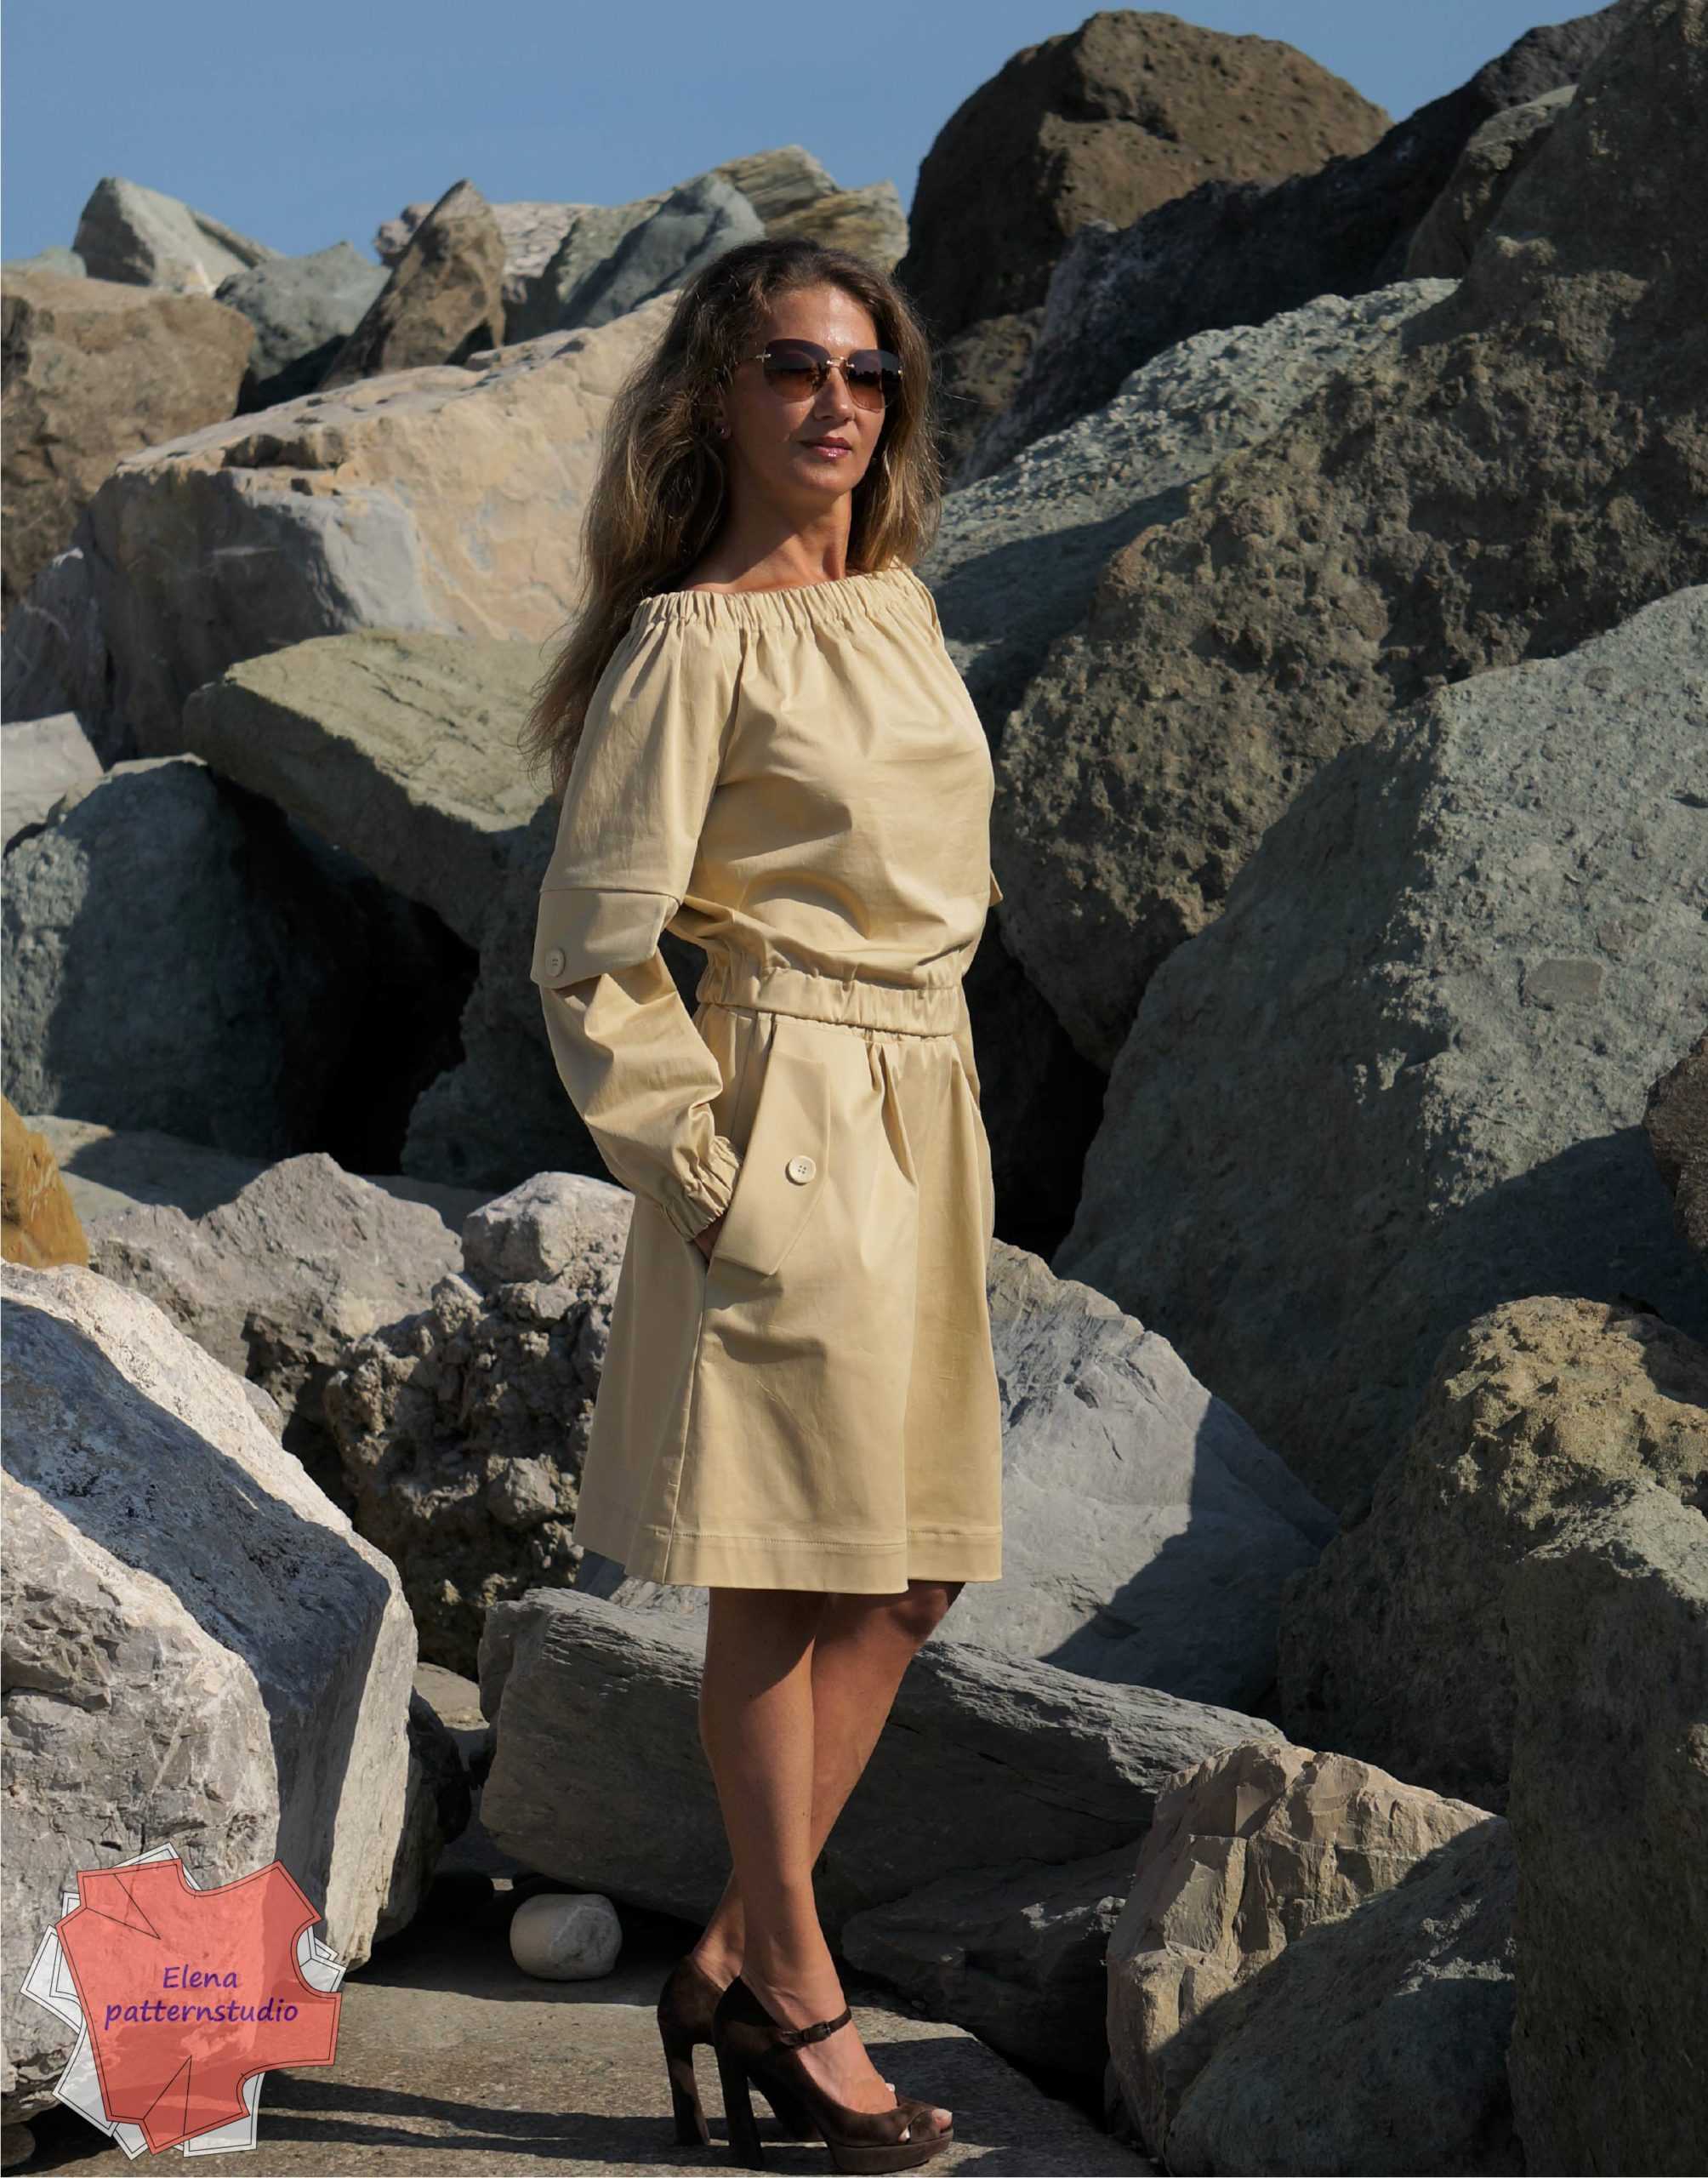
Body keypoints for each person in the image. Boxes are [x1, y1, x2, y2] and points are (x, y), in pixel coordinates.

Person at [519, 234, 1004, 2172]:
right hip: (785, 1108)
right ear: (715, 396)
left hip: (925, 1101)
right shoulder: (689, 642)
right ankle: (800, 1989)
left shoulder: (896, 602)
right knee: (790, 1574)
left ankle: (726, 1948)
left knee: (913, 1570)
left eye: (867, 373)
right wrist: (701, 1168)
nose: (837, 402)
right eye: (796, 367)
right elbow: (589, 946)